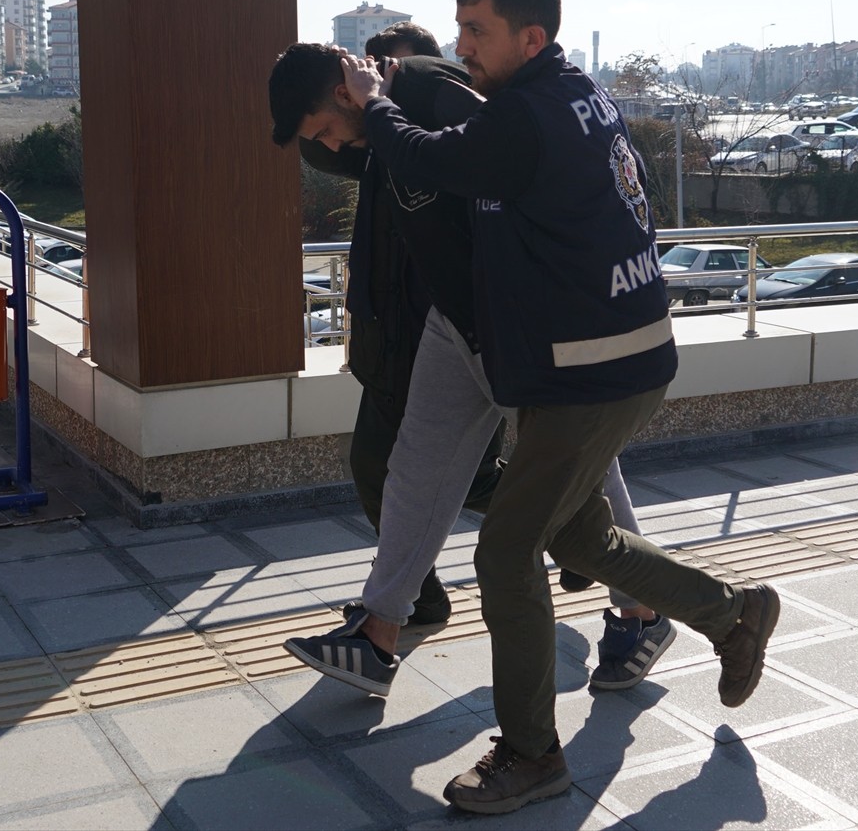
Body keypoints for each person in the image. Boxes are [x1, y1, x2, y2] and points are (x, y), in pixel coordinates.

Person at [316, 0, 780, 816]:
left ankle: (533, 755)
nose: (464, 48)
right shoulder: (572, 94)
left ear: (532, 35)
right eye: (457, 29)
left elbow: (428, 159)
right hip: (617, 357)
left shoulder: (524, 118)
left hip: (592, 371)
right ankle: (731, 612)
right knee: (579, 540)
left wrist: (374, 104)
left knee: (506, 552)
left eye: (477, 31)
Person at [273, 36, 677, 694]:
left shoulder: (437, 96)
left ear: (348, 93)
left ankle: (652, 611)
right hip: (455, 316)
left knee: (586, 471)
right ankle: (377, 634)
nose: (335, 147)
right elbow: (360, 154)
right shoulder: (375, 122)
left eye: (327, 127)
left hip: (512, 317)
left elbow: (513, 177)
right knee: (417, 467)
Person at [286, 30, 505, 626]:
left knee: (475, 479)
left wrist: (375, 104)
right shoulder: (379, 140)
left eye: (389, 73)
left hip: (456, 335)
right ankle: (413, 597)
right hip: (392, 339)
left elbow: (505, 170)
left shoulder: (434, 120)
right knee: (382, 470)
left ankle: (595, 547)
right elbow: (324, 148)